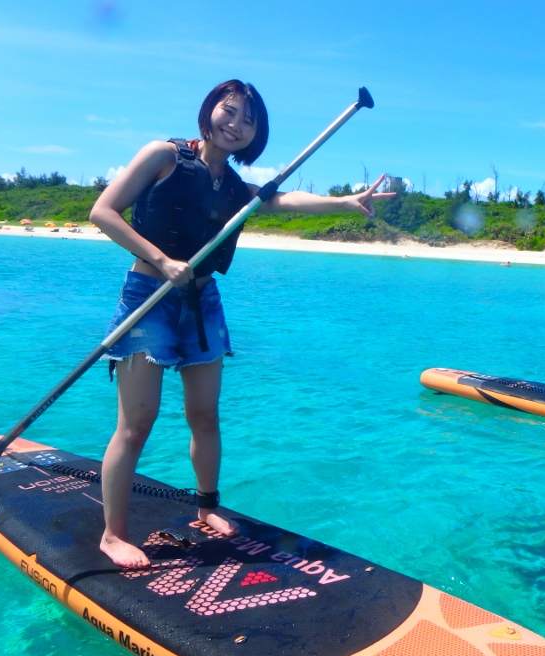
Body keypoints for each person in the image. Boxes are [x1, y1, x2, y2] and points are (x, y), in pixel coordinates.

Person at [90, 79, 393, 568]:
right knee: (136, 424)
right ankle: (113, 534)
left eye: (248, 121)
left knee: (204, 416)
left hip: (203, 301)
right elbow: (102, 212)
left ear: (256, 135)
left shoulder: (234, 188)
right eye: (228, 112)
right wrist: (161, 259)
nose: (235, 125)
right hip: (150, 294)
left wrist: (345, 202)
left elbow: (280, 200)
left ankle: (206, 508)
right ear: (209, 110)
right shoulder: (163, 155)